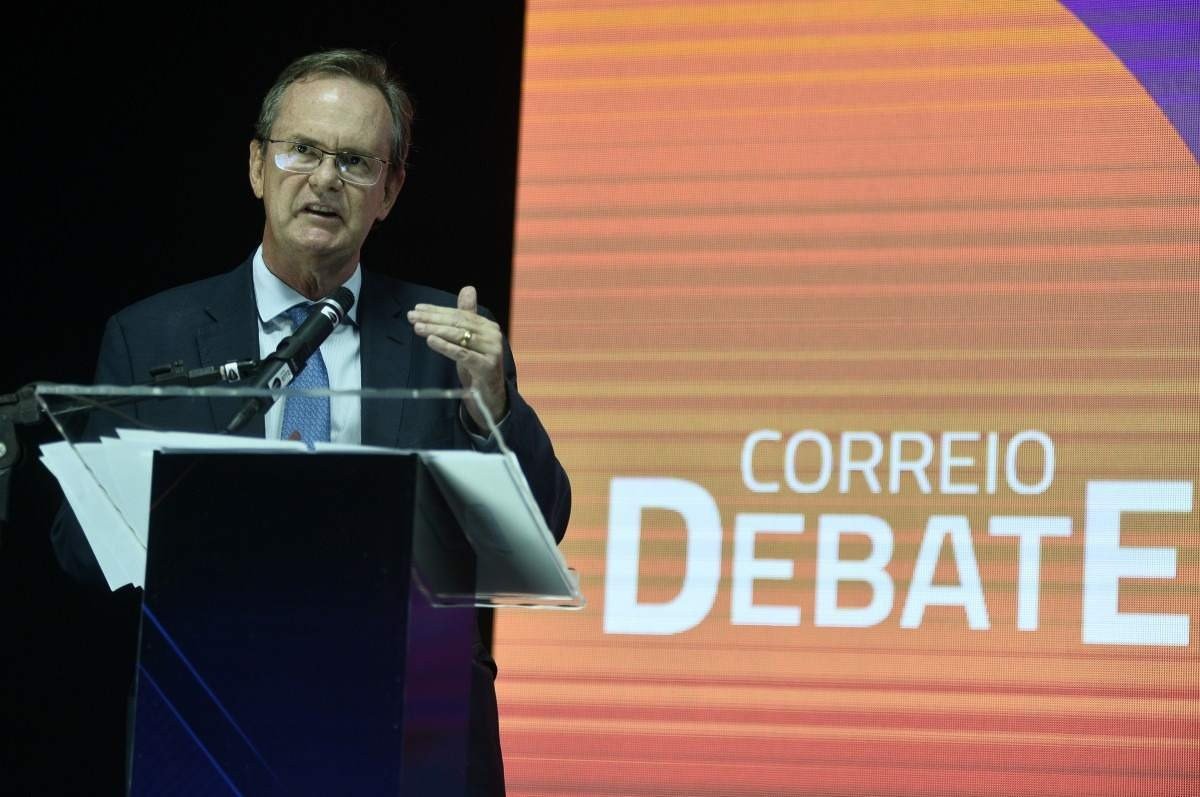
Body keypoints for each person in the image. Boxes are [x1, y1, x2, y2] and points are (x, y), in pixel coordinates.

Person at [51, 48, 570, 796]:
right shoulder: (154, 338)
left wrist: (491, 404)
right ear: (259, 166)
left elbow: (544, 520)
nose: (326, 180)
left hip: (411, 724)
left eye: (357, 162)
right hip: (214, 712)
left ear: (389, 191)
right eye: (303, 151)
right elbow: (77, 547)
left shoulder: (448, 339)